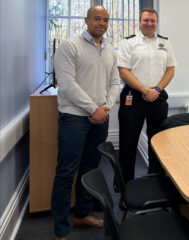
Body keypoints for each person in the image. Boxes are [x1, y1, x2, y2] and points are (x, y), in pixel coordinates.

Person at [51, 6, 120, 240]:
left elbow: (114, 83)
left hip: (100, 118)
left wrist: (106, 107)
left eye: (106, 20)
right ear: (87, 20)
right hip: (74, 118)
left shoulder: (110, 50)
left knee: (90, 168)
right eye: (97, 19)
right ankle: (61, 230)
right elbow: (67, 84)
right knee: (66, 171)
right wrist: (94, 109)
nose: (102, 23)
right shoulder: (70, 46)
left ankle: (82, 214)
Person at [118, 8, 177, 181]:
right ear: (140, 22)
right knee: (128, 143)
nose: (149, 24)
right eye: (146, 20)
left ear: (157, 23)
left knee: (158, 141)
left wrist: (156, 90)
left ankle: (155, 179)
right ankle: (125, 184)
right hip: (134, 97)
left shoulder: (165, 43)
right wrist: (145, 91)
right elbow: (123, 71)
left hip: (157, 96)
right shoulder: (129, 43)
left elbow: (171, 70)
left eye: (153, 21)